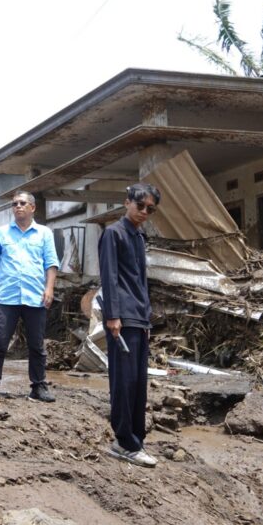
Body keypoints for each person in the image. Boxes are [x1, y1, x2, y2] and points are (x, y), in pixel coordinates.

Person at [99, 183, 161, 468]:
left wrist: (146, 317)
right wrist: (113, 315)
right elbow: (110, 277)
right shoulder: (113, 233)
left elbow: (141, 281)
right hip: (120, 318)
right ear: (127, 203)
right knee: (123, 382)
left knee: (138, 383)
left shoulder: (139, 236)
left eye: (150, 209)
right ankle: (124, 441)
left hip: (138, 318)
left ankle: (136, 439)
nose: (144, 212)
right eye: (141, 206)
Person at [0, 191, 59, 402]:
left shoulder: (44, 234)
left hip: (35, 297)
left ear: (32, 208)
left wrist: (49, 289)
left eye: (22, 203)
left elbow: (51, 263)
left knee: (36, 345)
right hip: (7, 297)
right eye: (14, 204)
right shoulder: (2, 233)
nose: (18, 207)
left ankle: (39, 386)